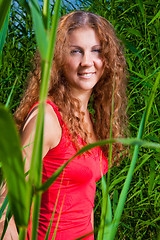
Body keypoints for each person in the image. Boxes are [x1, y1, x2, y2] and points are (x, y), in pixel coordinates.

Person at [1, 10, 128, 240]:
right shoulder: (46, 119)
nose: (87, 62)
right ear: (59, 57)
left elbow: (83, 202)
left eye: (96, 51)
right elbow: (5, 207)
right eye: (76, 51)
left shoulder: (90, 117)